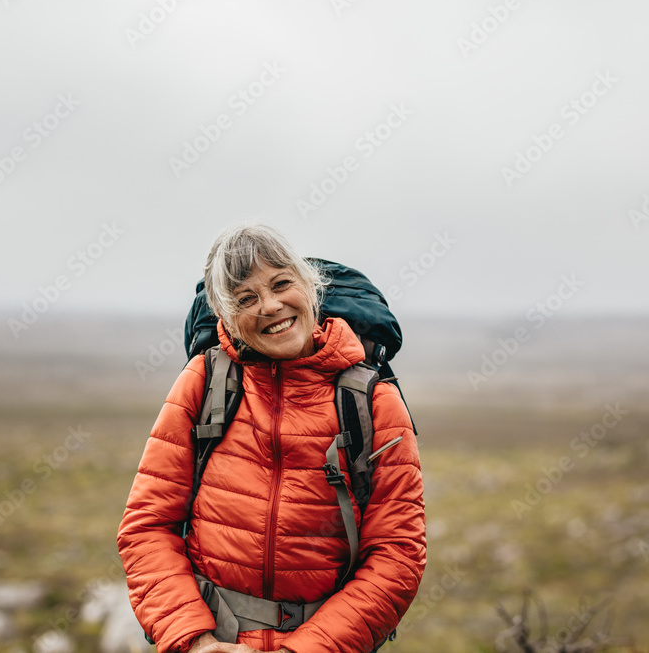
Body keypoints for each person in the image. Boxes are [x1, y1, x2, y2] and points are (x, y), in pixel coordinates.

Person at [117, 222, 426, 653]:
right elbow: (147, 527)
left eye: (282, 284)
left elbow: (397, 555)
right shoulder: (205, 382)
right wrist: (195, 641)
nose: (270, 305)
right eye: (246, 299)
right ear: (227, 318)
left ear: (310, 287)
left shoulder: (372, 401)